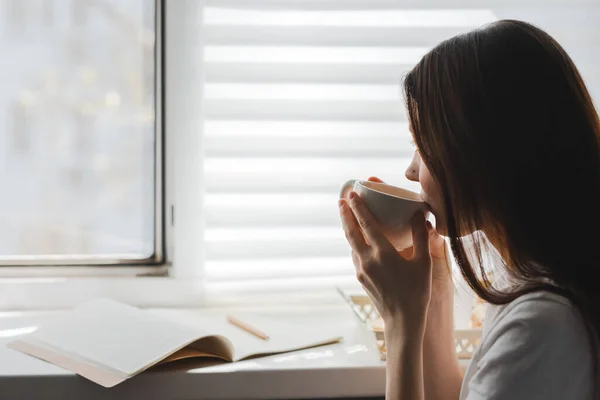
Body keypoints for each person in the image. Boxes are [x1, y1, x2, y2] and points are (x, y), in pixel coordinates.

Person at [339, 19, 600, 400]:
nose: (411, 171)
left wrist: (400, 322)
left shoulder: (541, 327)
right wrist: (434, 292)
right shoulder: (527, 280)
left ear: (479, 153)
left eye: (422, 143)